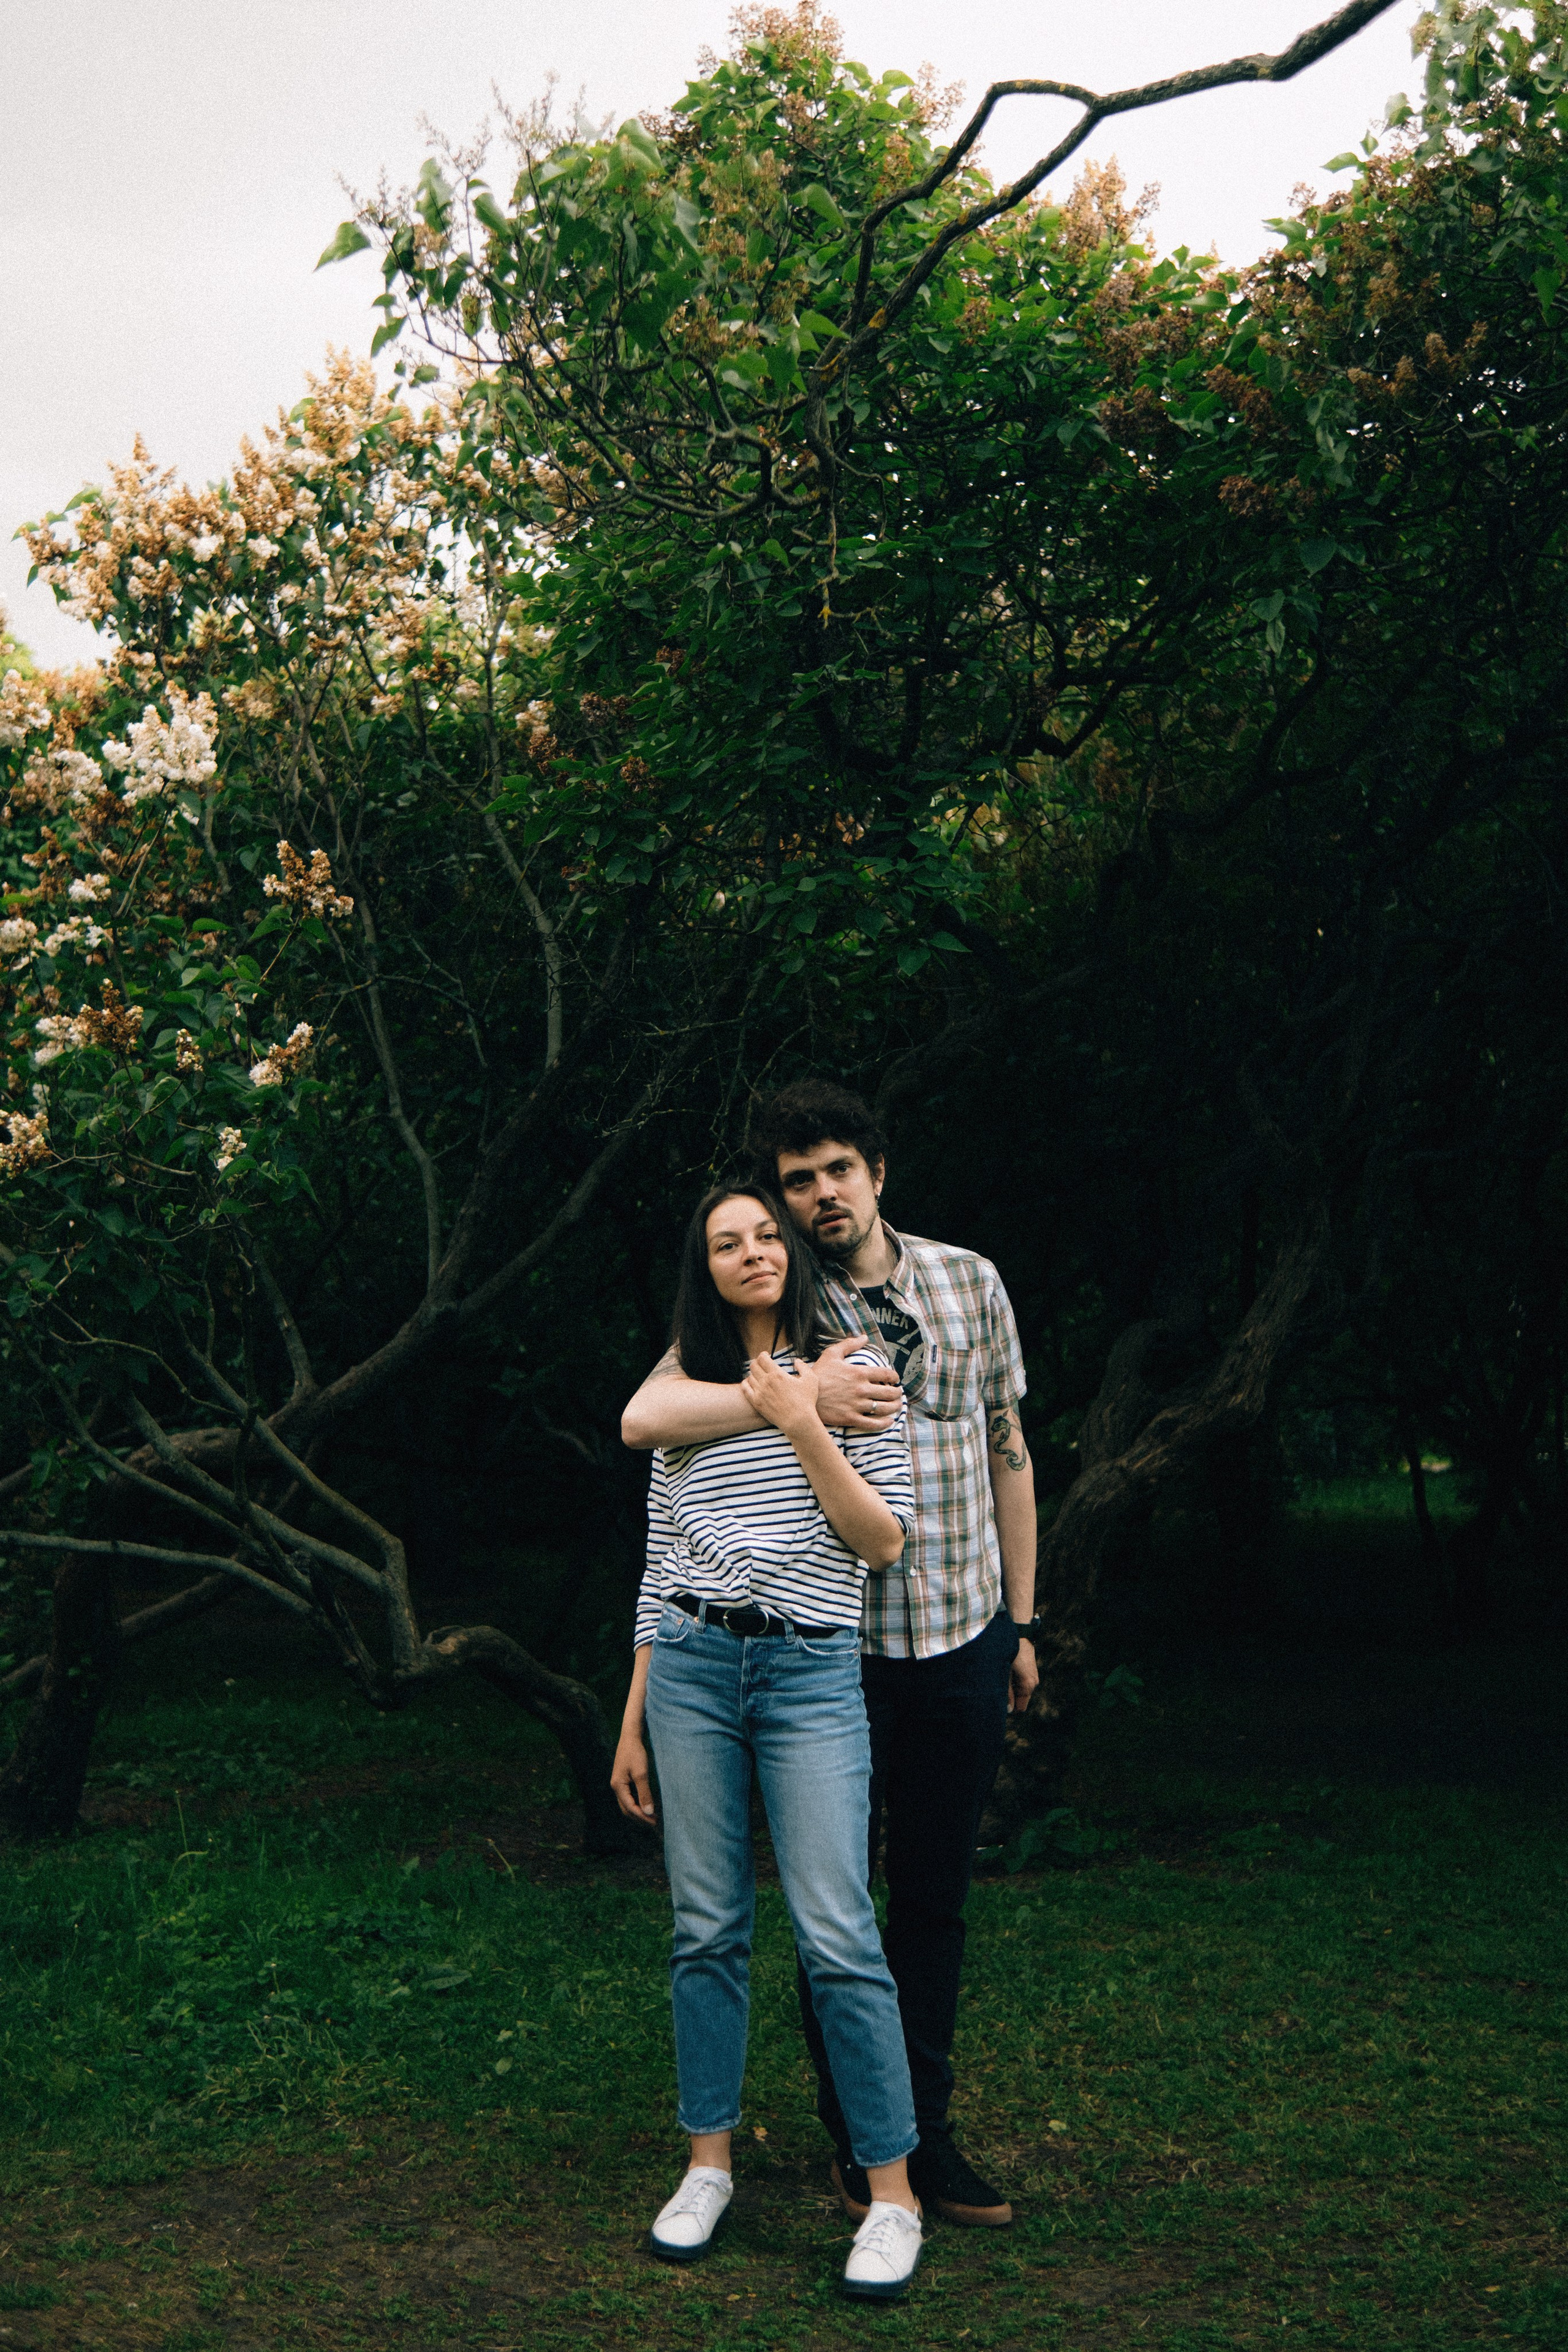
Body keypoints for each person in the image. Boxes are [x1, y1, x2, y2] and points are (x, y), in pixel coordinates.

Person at [622, 1082, 1039, 2231]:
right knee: (789, 1915)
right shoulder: (727, 1349)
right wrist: (790, 1398)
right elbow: (652, 1451)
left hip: (946, 1629)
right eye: (789, 1186)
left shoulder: (940, 1304)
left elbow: (1006, 1449)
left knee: (912, 1909)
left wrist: (1024, 1620)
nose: (812, 1201)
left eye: (833, 1174)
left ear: (877, 1172)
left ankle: (918, 2153)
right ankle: (842, 2147)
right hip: (813, 1651)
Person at [610, 1182, 926, 2302]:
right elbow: (659, 1549)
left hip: (808, 1669)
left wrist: (803, 1417)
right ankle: (709, 2165)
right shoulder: (679, 1380)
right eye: (725, 1243)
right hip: (693, 1666)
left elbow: (883, 1540)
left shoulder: (856, 1369)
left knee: (839, 1930)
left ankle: (893, 2196)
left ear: (792, 1252)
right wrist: (635, 1711)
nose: (751, 1254)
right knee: (706, 1927)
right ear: (705, 1267)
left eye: (765, 1237)